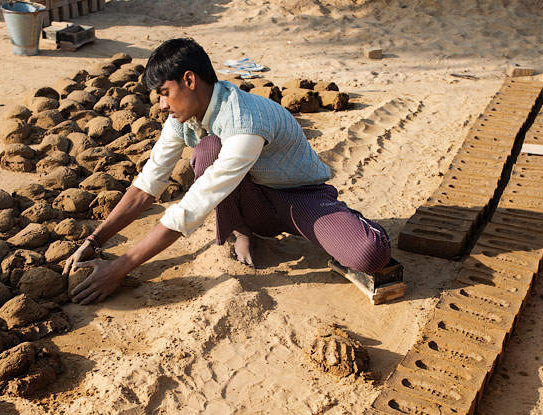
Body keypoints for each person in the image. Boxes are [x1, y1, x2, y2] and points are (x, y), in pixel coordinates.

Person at [64, 38, 392, 305]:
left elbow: (195, 205)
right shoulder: (182, 119)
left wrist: (121, 267)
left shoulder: (244, 120)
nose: (162, 105)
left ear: (189, 80)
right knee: (207, 149)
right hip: (254, 198)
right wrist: (94, 240)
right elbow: (147, 185)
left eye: (164, 93)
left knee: (369, 253)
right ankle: (244, 230)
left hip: (297, 196)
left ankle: (347, 220)